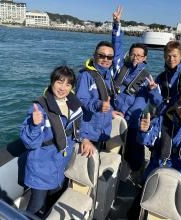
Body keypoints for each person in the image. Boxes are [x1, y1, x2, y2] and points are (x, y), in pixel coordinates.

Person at [20, 66, 94, 216]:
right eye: (60, 82)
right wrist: (34, 125)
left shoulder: (73, 104)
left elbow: (79, 127)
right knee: (36, 206)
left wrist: (85, 139)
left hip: (60, 165)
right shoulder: (39, 108)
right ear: (52, 82)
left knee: (53, 202)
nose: (63, 88)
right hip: (41, 167)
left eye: (68, 84)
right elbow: (30, 143)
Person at [111, 6, 158, 174]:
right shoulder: (120, 67)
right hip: (112, 114)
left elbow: (140, 102)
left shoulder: (146, 77)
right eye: (133, 54)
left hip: (130, 120)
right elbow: (116, 47)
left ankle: (136, 172)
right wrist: (117, 24)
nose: (136, 57)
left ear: (145, 58)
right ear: (129, 55)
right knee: (109, 147)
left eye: (139, 55)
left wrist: (126, 117)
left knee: (133, 151)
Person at [75, 33, 123, 150]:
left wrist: (110, 111)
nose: (105, 59)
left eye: (109, 57)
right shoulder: (85, 75)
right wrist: (99, 105)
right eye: (101, 56)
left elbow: (106, 98)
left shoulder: (107, 75)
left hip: (102, 131)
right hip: (88, 132)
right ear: (94, 55)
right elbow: (81, 100)